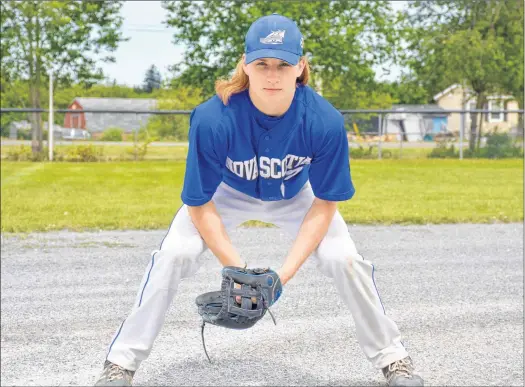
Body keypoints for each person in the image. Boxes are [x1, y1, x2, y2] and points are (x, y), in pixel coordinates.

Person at [94, 13, 424, 387]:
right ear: (245, 64)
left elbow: (325, 203)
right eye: (262, 63)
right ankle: (120, 364)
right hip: (226, 194)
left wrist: (278, 279)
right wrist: (238, 269)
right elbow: (200, 203)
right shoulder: (212, 118)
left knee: (344, 258)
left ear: (300, 66)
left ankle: (394, 360)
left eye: (283, 64)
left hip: (296, 195)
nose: (272, 74)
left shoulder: (324, 121)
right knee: (174, 254)